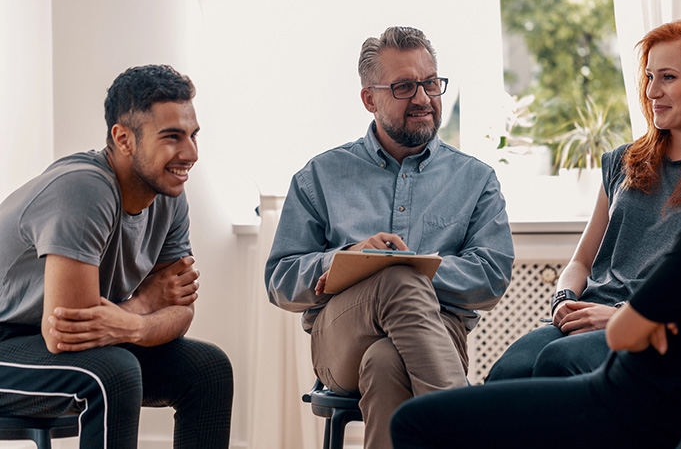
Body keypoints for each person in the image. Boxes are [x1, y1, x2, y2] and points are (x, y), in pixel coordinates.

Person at [391, 46, 681, 449]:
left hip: (627, 406)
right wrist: (655, 320)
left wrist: (642, 320)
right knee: (510, 376)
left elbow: (623, 333)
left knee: (414, 420)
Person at [265, 26, 514, 449]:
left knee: (385, 362)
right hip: (340, 337)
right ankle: (468, 431)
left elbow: (491, 276)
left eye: (430, 83)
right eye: (403, 87)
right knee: (396, 280)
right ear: (369, 99)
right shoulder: (320, 176)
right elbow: (280, 281)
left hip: (441, 331)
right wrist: (344, 260)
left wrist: (413, 268)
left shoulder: (476, 179)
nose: (422, 98)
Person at [486, 18, 681, 381]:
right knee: (507, 372)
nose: (651, 92)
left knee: (558, 363)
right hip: (584, 315)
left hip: (648, 327)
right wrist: (563, 300)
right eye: (650, 77)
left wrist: (622, 316)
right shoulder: (624, 161)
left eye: (668, 77)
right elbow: (581, 261)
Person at [0, 65, 233, 448]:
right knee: (111, 371)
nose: (190, 153)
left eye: (193, 135)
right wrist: (144, 304)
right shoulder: (83, 189)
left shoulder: (168, 194)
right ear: (123, 138)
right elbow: (67, 336)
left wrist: (135, 326)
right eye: (172, 137)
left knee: (208, 369)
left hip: (50, 343)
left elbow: (181, 311)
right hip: (10, 339)